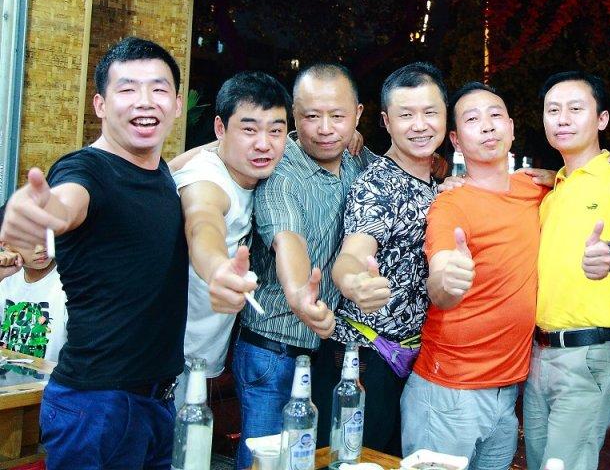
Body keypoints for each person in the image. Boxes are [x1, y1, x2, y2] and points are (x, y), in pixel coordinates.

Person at [0, 37, 186, 469]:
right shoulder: (85, 169)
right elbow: (66, 201)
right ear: (100, 104)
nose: (145, 101)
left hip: (157, 402)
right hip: (96, 406)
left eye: (158, 89)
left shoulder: (160, 171)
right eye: (127, 89)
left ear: (177, 105)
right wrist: (42, 212)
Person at [233, 63, 375, 470]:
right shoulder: (281, 172)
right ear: (294, 116)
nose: (325, 129)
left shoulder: (356, 162)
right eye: (311, 116)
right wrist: (299, 292)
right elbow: (287, 238)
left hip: (321, 354)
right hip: (271, 351)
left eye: (338, 116)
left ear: (358, 115)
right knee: (265, 461)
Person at [400, 82, 550, 469]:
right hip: (449, 391)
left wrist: (565, 173)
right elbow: (441, 282)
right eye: (472, 119)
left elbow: (583, 181)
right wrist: (446, 282)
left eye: (495, 115)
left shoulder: (535, 189)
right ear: (456, 140)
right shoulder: (451, 204)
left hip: (508, 391)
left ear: (511, 128)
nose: (487, 125)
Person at [523, 71, 610, 470]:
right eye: (553, 110)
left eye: (575, 109)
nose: (562, 118)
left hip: (588, 356)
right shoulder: (554, 190)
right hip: (538, 355)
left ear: (601, 119)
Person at [328, 62, 447, 455]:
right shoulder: (377, 185)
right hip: (368, 358)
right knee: (358, 460)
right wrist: (355, 282)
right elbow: (353, 253)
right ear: (386, 121)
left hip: (415, 357)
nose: (420, 125)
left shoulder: (437, 183)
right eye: (406, 115)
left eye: (430, 112)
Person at [171, 71, 291, 408]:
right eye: (249, 130)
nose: (264, 144)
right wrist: (217, 269)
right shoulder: (206, 178)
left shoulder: (250, 168)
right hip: (159, 357)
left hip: (194, 357)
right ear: (220, 128)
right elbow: (202, 223)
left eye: (276, 131)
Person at [0, 234, 67, 365]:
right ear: (5, 244)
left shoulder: (71, 282)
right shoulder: (5, 278)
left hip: (52, 377)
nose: (41, 248)